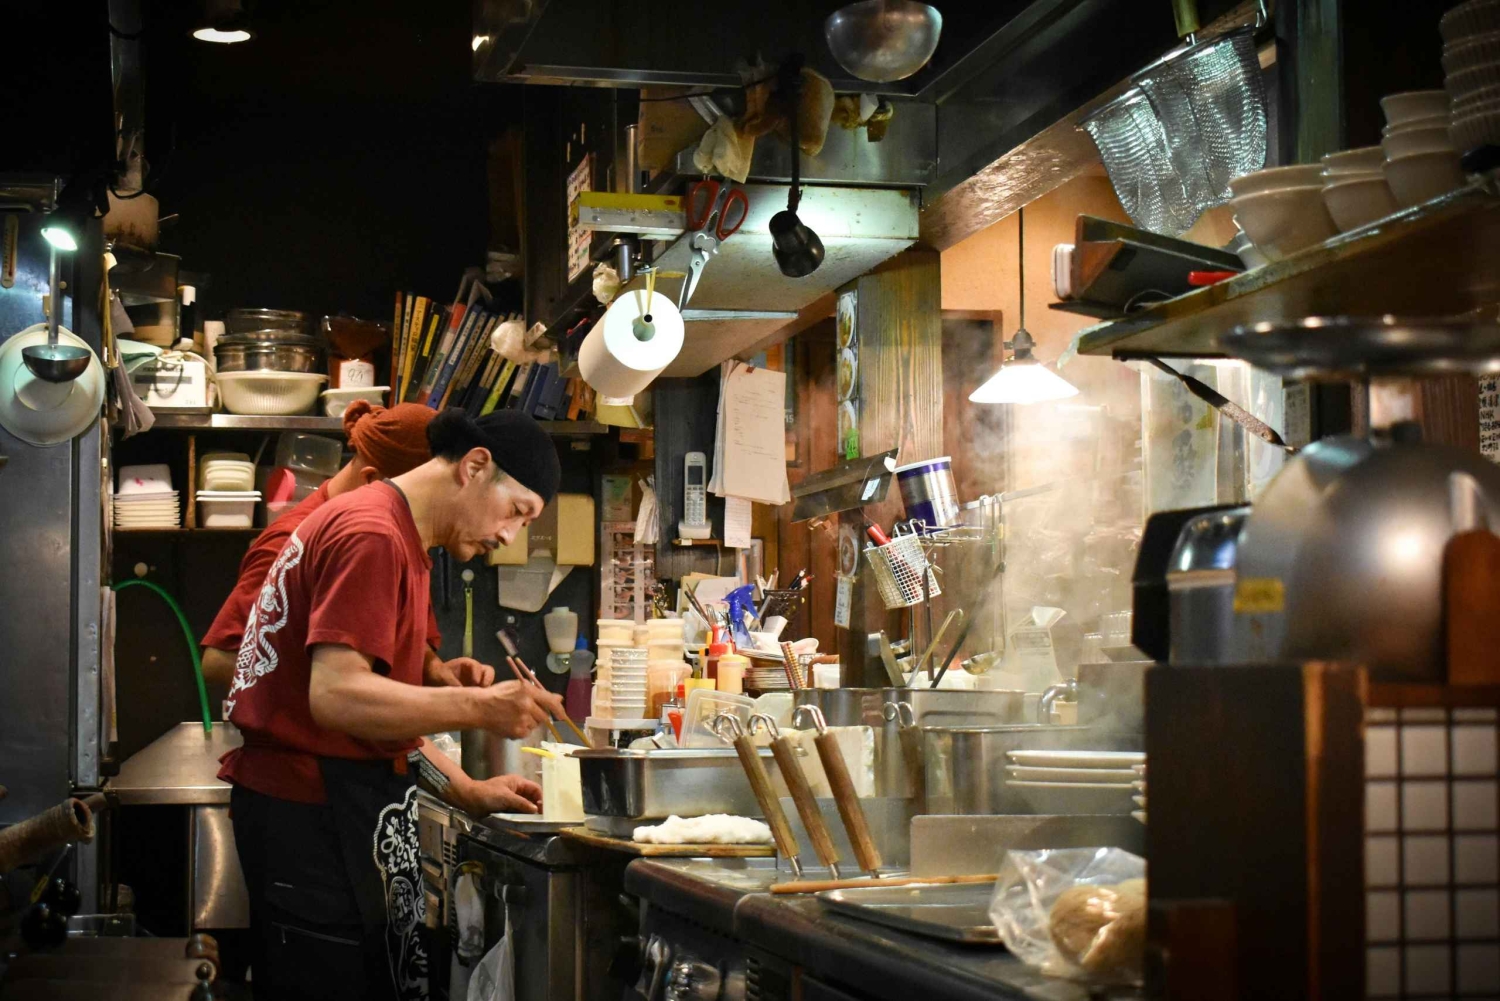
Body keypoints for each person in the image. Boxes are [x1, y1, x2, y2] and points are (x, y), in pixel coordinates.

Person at [219, 408, 567, 1001]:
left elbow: (376, 716)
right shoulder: (373, 535)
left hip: (334, 810)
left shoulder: (397, 534)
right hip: (313, 821)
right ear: (475, 467)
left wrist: (467, 791)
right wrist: (481, 708)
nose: (510, 535)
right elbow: (337, 698)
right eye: (517, 512)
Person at [201, 401, 467, 687]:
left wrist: (434, 669)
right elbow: (220, 662)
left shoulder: (403, 535)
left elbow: (404, 639)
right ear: (374, 480)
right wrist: (333, 683)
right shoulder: (294, 541)